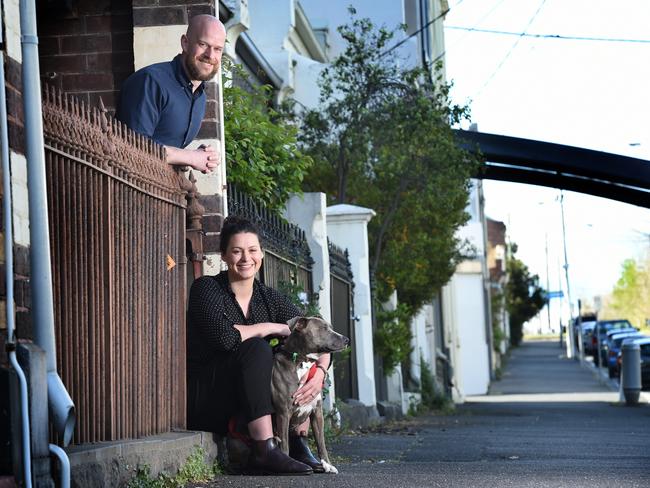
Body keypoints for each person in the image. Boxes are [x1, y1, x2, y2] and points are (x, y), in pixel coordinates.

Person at [187, 216, 331, 475]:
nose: (245, 258)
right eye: (237, 251)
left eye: (252, 250)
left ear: (261, 255)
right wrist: (270, 327)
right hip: (209, 399)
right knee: (258, 349)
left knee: (292, 359)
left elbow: (315, 336)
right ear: (223, 255)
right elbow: (225, 338)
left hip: (249, 400)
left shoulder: (269, 298)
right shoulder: (206, 289)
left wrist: (319, 375)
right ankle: (265, 449)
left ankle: (297, 441)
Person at [116, 15, 225, 173]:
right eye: (203, 44)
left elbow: (165, 146)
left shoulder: (200, 96)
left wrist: (201, 157)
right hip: (128, 190)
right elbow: (132, 147)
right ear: (185, 43)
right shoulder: (151, 81)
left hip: (161, 192)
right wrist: (190, 157)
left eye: (217, 49)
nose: (210, 55)